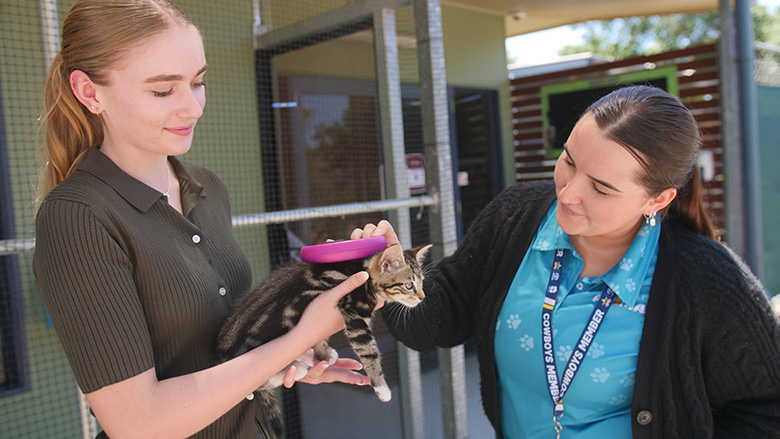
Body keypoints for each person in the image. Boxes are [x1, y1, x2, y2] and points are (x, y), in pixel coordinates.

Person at [354, 86, 780, 438]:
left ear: (658, 199)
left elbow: (765, 408)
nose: (569, 193)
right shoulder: (514, 216)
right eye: (569, 161)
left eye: (601, 187)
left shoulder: (709, 279)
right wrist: (386, 279)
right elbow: (440, 319)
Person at [33, 1, 371, 438]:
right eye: (163, 91)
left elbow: (215, 351)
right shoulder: (78, 218)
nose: (192, 107)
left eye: (198, 82)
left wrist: (290, 358)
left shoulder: (207, 187)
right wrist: (298, 336)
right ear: (89, 92)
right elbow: (137, 424)